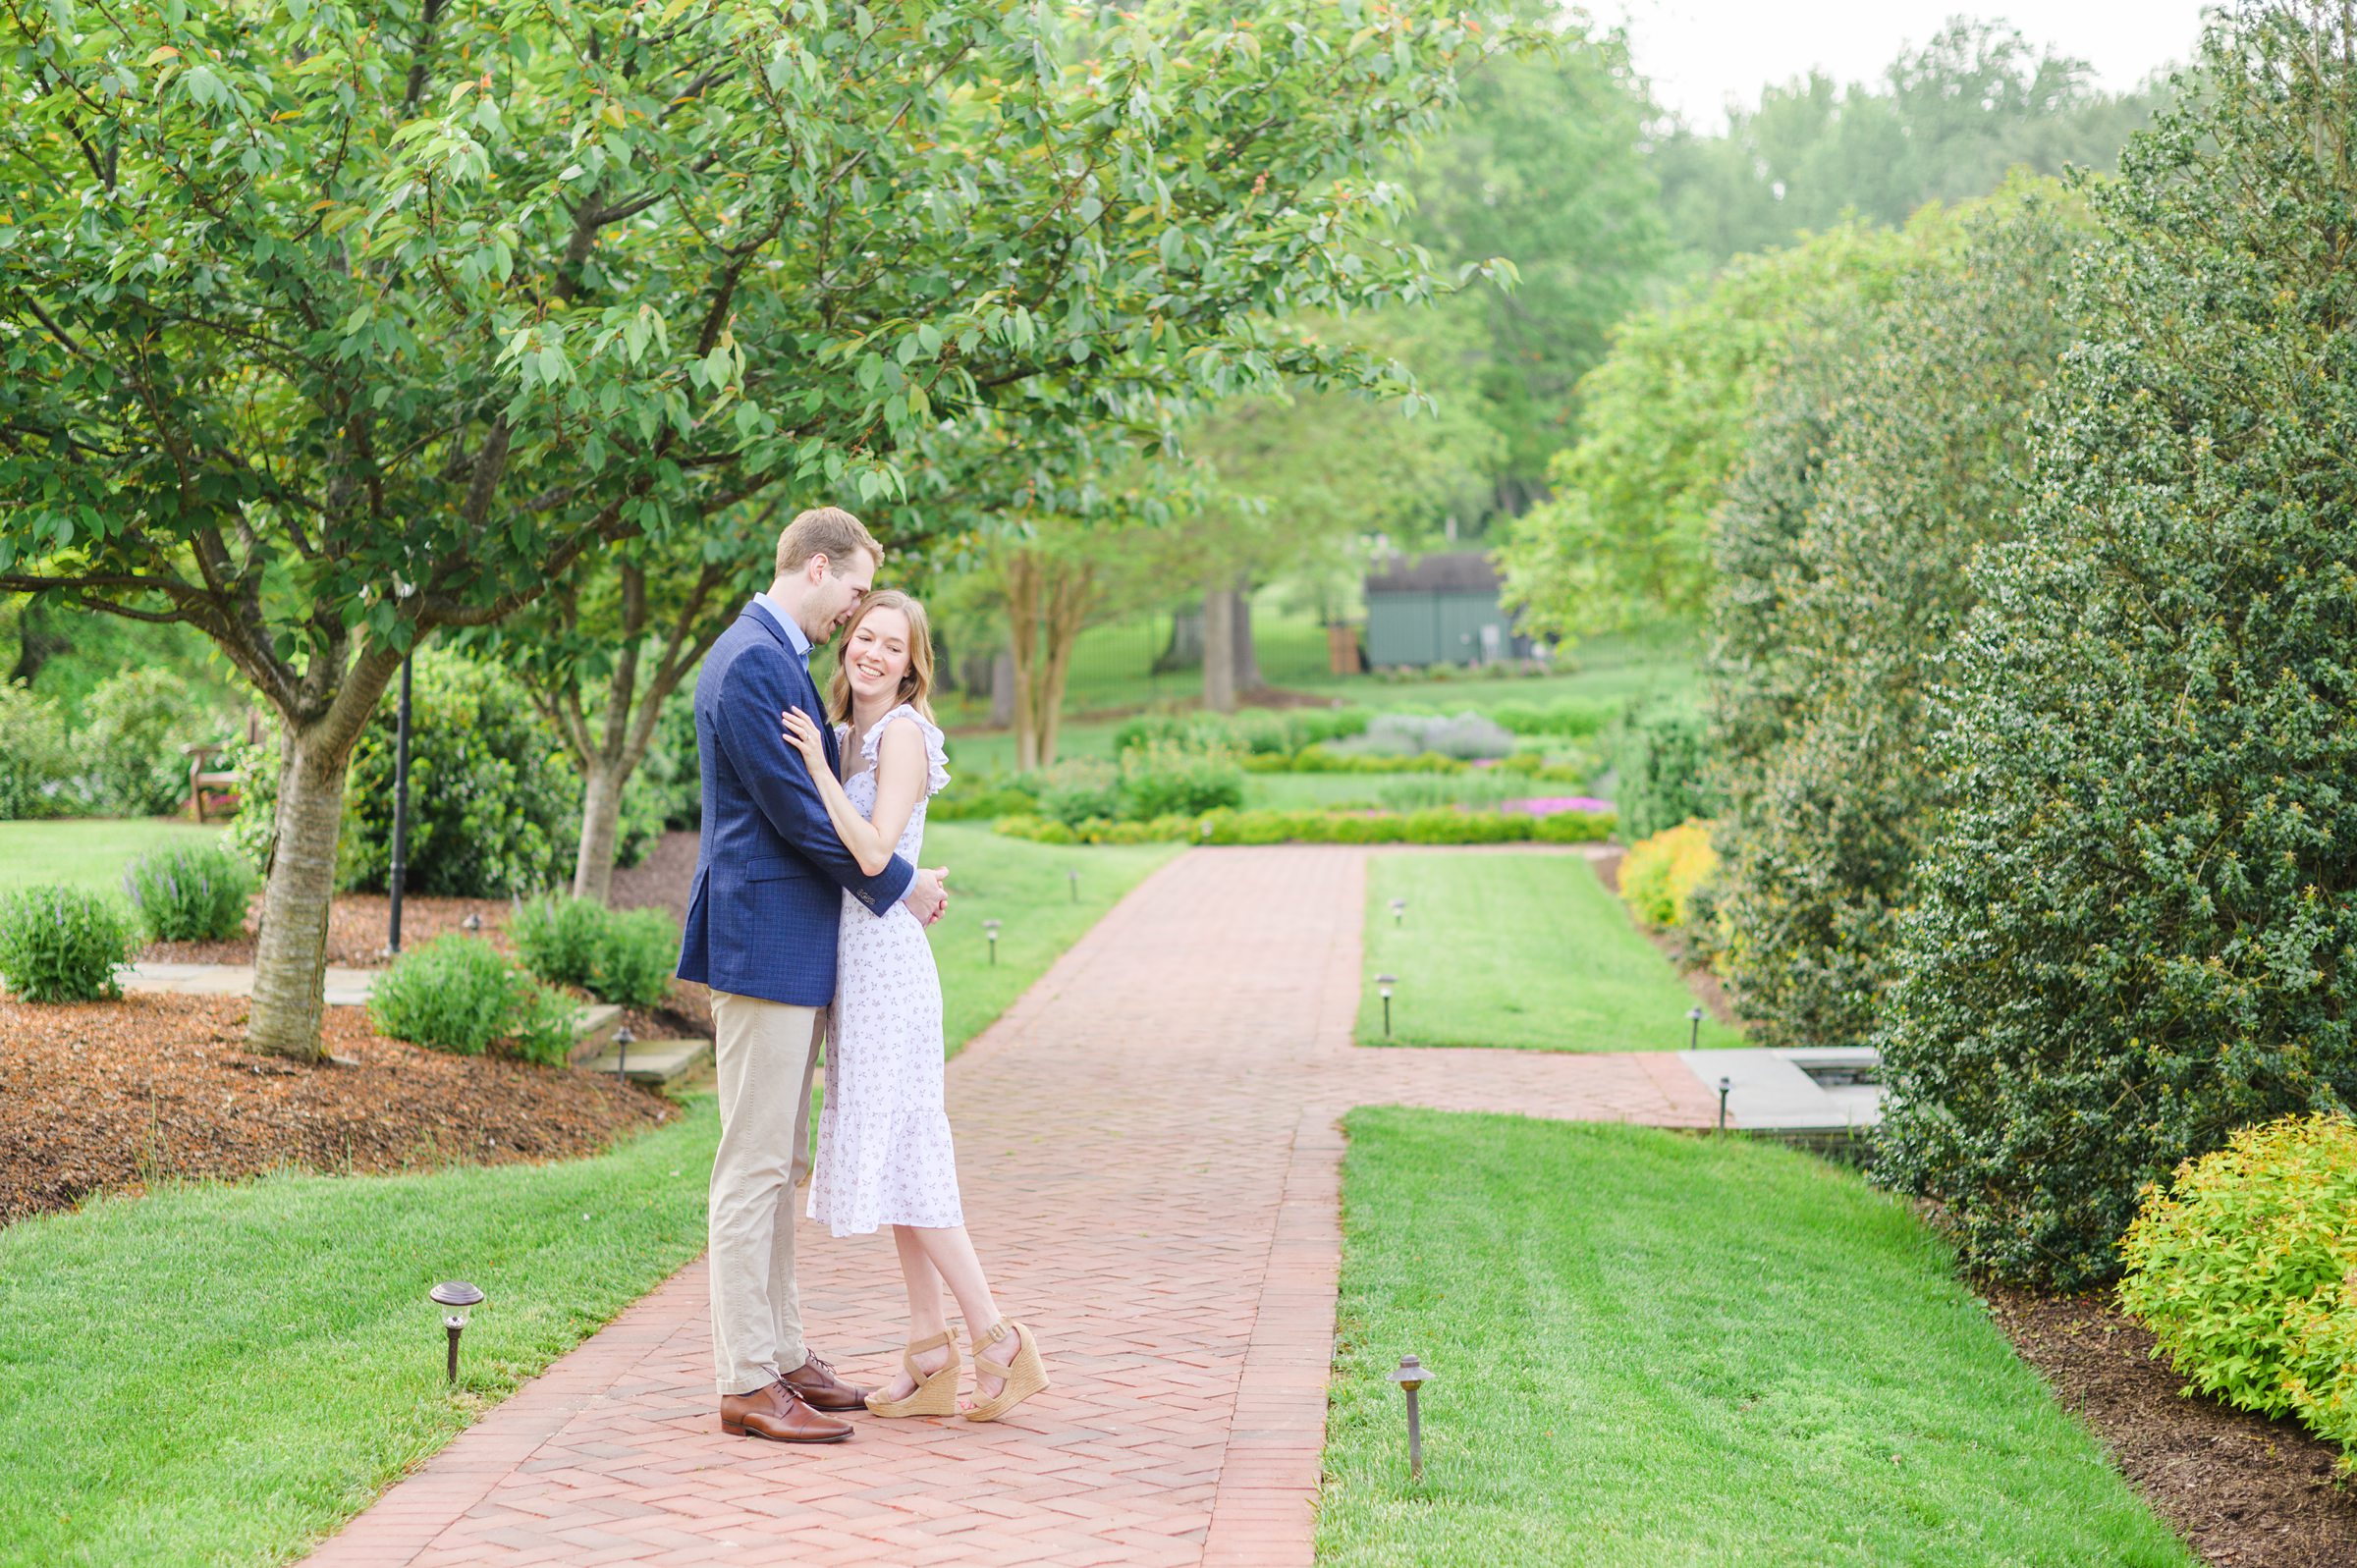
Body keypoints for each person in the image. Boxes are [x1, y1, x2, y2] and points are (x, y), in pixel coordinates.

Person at [677, 507, 950, 1445]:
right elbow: (799, 815)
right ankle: (748, 1376)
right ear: (820, 567)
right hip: (761, 946)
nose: (858, 610)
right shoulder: (754, 660)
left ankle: (784, 1351)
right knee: (752, 1165)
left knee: (778, 1162)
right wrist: (902, 886)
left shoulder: (771, 653)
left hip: (788, 947)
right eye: (858, 590)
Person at [776, 587, 1051, 1424]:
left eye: (893, 646)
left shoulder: (898, 735)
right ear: (847, 640)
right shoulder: (851, 728)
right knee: (898, 1163)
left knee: (916, 1162)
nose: (873, 653)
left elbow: (870, 849)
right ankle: (930, 1351)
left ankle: (996, 1336)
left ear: (912, 663)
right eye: (865, 636)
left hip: (889, 969)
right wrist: (828, 753)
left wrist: (819, 768)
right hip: (855, 968)